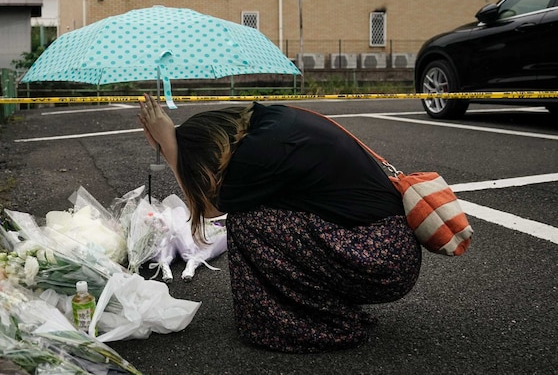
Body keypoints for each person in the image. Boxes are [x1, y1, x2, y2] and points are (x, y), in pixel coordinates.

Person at [137, 94, 421, 353]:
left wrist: (171, 147)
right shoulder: (270, 124)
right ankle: (320, 309)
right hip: (386, 248)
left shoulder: (256, 154)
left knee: (248, 223)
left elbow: (211, 209)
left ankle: (316, 325)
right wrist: (168, 142)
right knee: (265, 217)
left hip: (382, 259)